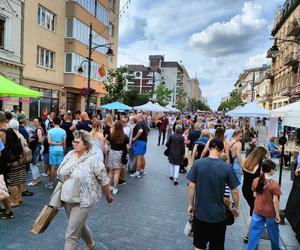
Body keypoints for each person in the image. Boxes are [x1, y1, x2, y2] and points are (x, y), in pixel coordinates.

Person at [57, 130, 113, 250]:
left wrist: (108, 196)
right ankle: (90, 242)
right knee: (78, 225)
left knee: (71, 235)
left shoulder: (94, 159)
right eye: (73, 141)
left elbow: (104, 180)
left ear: (86, 144)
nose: (74, 144)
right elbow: (61, 173)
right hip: (67, 198)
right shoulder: (70, 154)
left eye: (77, 142)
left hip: (84, 201)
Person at [187, 138, 240, 250]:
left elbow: (191, 186)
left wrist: (191, 205)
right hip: (218, 216)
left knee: (199, 246)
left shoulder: (198, 164)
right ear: (222, 150)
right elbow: (235, 191)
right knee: (216, 246)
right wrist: (236, 207)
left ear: (209, 148)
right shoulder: (226, 167)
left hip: (200, 214)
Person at [247, 159, 282, 250]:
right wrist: (277, 215)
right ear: (271, 170)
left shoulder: (256, 180)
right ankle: (276, 248)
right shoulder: (275, 185)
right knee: (273, 234)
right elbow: (275, 201)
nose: (274, 170)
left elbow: (254, 195)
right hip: (270, 213)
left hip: (257, 210)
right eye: (274, 169)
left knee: (254, 233)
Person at [242, 146, 268, 243]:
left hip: (245, 189)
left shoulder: (246, 162)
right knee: (253, 213)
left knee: (251, 209)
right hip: (254, 192)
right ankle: (247, 235)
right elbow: (263, 180)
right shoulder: (260, 167)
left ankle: (249, 234)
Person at [6, 119, 28, 207]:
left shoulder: (11, 135)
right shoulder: (20, 135)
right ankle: (19, 198)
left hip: (14, 160)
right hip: (21, 160)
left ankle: (15, 201)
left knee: (13, 182)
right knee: (19, 180)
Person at [106, 121, 129, 195]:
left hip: (112, 153)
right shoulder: (125, 136)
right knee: (117, 172)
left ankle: (109, 186)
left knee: (110, 171)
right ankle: (115, 189)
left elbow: (107, 143)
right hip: (120, 154)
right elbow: (127, 147)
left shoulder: (111, 135)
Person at [46, 117, 66, 190]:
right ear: (60, 122)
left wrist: (55, 144)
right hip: (60, 149)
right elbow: (64, 143)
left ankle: (51, 183)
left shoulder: (50, 131)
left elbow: (49, 142)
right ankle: (61, 183)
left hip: (52, 150)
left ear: (53, 123)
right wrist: (64, 150)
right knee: (61, 167)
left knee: (53, 167)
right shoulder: (63, 131)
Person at [0, 113, 14, 219]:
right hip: (4, 163)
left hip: (2, 164)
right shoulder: (9, 128)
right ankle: (7, 210)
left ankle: (8, 211)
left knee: (3, 190)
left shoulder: (2, 132)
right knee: (3, 189)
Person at [130, 113, 148, 178]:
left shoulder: (139, 123)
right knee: (142, 156)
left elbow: (140, 131)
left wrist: (135, 138)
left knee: (139, 157)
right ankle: (142, 170)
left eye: (136, 116)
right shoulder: (144, 123)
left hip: (139, 142)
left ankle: (137, 173)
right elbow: (148, 132)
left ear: (139, 117)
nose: (135, 117)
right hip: (144, 141)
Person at [28, 118, 45, 186]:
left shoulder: (38, 129)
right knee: (34, 164)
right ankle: (38, 179)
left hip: (37, 147)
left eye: (35, 122)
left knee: (32, 164)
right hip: (39, 147)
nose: (34, 123)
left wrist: (32, 140)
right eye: (34, 121)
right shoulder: (39, 129)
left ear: (39, 122)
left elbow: (40, 140)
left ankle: (35, 180)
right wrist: (33, 138)